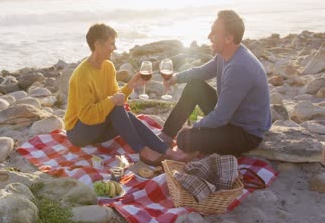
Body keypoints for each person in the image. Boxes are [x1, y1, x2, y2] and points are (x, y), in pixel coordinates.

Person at [159, 10, 271, 156]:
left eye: (214, 33)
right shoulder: (226, 54)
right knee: (195, 86)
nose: (209, 37)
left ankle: (189, 145)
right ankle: (166, 136)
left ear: (229, 38)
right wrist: (176, 78)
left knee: (184, 139)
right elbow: (202, 72)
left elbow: (220, 117)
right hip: (231, 117)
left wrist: (194, 128)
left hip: (245, 133)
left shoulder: (239, 68)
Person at [64, 23, 174, 165]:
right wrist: (112, 101)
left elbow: (116, 98)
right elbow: (87, 116)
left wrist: (130, 86)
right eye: (112, 44)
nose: (115, 48)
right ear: (97, 44)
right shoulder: (82, 75)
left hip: (100, 128)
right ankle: (144, 151)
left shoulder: (108, 67)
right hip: (79, 133)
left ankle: (166, 150)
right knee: (116, 108)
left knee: (122, 114)